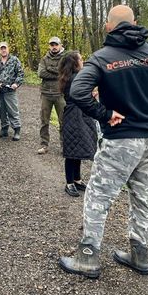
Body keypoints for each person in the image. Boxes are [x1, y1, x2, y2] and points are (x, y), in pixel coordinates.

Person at [59, 6, 148, 278]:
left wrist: (105, 115)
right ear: (135, 24)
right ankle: (140, 254)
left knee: (98, 195)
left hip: (121, 140)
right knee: (143, 196)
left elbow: (77, 91)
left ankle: (87, 256)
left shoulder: (103, 57)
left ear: (109, 26)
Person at [58, 51, 98, 197]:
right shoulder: (75, 78)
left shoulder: (69, 77)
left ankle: (77, 179)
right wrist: (92, 94)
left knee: (77, 149)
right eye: (81, 59)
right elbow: (79, 95)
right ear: (74, 63)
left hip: (79, 114)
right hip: (75, 115)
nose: (83, 61)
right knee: (72, 152)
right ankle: (69, 183)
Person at [37, 37, 66, 154]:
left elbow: (64, 73)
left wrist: (50, 69)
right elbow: (41, 73)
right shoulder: (45, 58)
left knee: (63, 121)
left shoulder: (65, 58)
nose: (54, 47)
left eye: (56, 45)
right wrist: (57, 72)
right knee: (44, 121)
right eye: (52, 45)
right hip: (46, 94)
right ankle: (44, 145)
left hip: (60, 94)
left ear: (60, 45)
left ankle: (65, 146)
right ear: (49, 46)